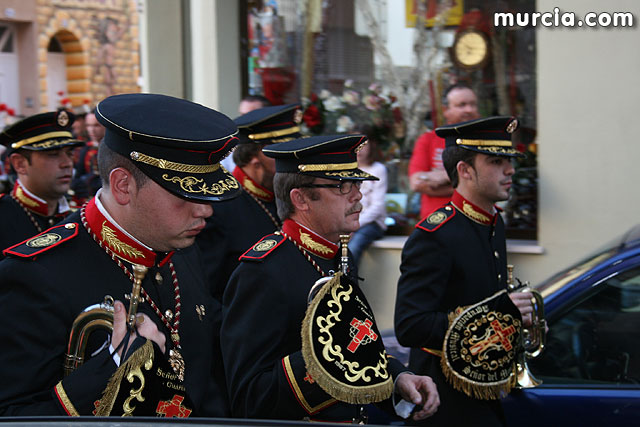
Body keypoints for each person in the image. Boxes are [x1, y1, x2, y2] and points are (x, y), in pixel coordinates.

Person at [0, 93, 241, 417]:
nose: (206, 210)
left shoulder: (181, 246)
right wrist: (111, 368)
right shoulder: (35, 273)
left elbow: (205, 379)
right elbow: (13, 415)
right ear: (123, 185)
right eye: (185, 193)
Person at [221, 134, 439, 422]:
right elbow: (250, 398)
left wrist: (397, 378)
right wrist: (322, 355)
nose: (358, 195)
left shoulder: (337, 256)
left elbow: (355, 348)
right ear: (300, 199)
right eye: (342, 186)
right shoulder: (262, 271)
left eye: (357, 184)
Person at [395, 116, 535, 426]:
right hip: (444, 402)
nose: (510, 169)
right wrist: (499, 313)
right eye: (497, 161)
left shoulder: (494, 224)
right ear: (465, 170)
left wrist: (520, 322)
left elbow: (485, 306)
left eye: (509, 160)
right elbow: (409, 325)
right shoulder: (434, 236)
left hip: (483, 391)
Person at [196, 103, 302, 301]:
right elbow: (205, 292)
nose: (293, 163)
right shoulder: (217, 207)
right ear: (255, 158)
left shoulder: (287, 197)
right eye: (283, 154)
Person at [0, 110, 84, 256]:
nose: (67, 163)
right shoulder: (4, 216)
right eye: (53, 154)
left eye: (69, 153)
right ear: (20, 164)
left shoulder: (80, 218)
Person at [409, 84, 480, 219]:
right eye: (462, 105)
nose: (469, 110)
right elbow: (416, 183)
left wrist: (443, 176)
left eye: (473, 104)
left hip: (476, 220)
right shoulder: (428, 139)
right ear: (446, 110)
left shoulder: (485, 141)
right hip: (435, 222)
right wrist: (468, 182)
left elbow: (486, 184)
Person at [348, 131, 387, 266]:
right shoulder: (346, 170)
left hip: (371, 223)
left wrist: (354, 226)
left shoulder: (378, 169)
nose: (359, 150)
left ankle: (350, 284)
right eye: (354, 146)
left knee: (353, 249)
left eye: (363, 145)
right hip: (348, 223)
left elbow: (377, 206)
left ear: (372, 146)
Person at [221, 95, 272, 173]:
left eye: (251, 115)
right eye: (242, 115)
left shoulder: (277, 142)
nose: (245, 120)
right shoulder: (230, 148)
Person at [70, 109, 105, 206]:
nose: (91, 130)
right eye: (88, 125)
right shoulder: (85, 149)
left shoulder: (113, 150)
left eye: (96, 125)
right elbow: (78, 173)